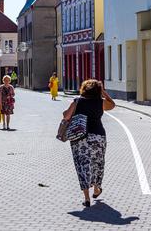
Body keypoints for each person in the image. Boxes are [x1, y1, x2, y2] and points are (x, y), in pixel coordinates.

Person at [63, 79, 115, 208]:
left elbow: (66, 116)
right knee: (98, 163)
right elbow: (112, 105)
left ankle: (87, 198)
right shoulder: (100, 102)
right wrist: (103, 92)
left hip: (80, 137)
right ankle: (97, 189)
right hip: (98, 136)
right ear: (98, 91)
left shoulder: (77, 101)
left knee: (82, 166)